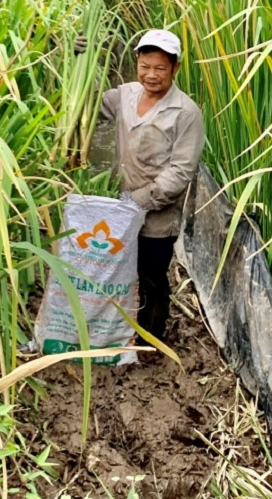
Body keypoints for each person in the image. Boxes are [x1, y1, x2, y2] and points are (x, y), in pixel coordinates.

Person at [96, 29, 204, 341]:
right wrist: (85, 61)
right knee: (116, 271)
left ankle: (149, 341)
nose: (151, 75)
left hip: (156, 218)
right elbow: (91, 107)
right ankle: (115, 331)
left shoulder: (186, 113)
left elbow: (180, 172)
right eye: (145, 66)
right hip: (118, 207)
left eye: (159, 68)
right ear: (137, 63)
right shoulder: (125, 95)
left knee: (151, 278)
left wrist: (137, 200)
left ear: (175, 68)